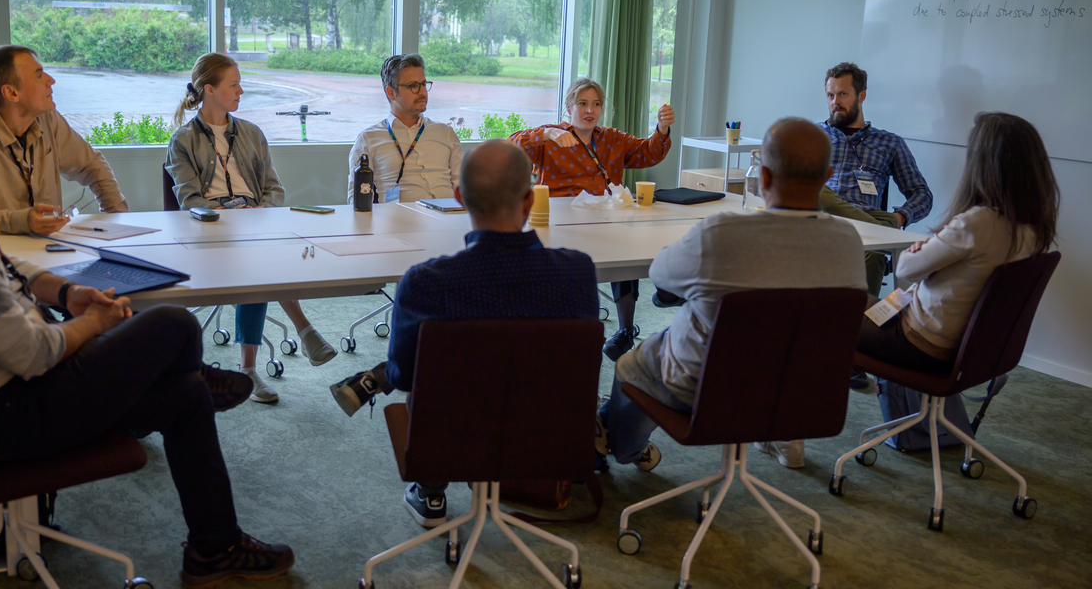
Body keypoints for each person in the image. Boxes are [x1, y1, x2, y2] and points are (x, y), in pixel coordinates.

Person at [0, 70, 294, 585]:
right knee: (172, 326)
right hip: (7, 414)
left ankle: (213, 547)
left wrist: (65, 293)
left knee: (187, 393)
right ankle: (179, 399)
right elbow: (34, 354)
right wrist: (93, 320)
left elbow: (4, 268)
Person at [328, 140, 600, 528]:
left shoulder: (425, 283)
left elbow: (405, 376)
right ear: (530, 201)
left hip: (451, 442)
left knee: (423, 377)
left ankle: (431, 490)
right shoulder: (578, 273)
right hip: (547, 442)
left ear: (459, 198)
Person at [597, 118, 867, 471]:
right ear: (829, 176)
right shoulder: (849, 242)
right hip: (802, 395)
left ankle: (622, 448)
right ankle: (783, 435)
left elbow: (660, 275)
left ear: (764, 177)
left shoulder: (722, 233)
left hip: (707, 390)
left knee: (634, 362)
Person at [166, 52, 336, 404]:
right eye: (234, 84)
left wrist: (263, 210)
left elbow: (274, 188)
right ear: (209, 90)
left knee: (260, 257)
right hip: (214, 228)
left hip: (256, 220)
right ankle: (297, 335)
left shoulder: (252, 133)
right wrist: (233, 218)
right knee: (259, 262)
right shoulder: (183, 140)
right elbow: (189, 200)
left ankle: (251, 369)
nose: (241, 91)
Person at [857, 112, 1059, 373]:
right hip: (962, 345)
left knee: (828, 310)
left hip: (918, 340)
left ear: (985, 164)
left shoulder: (977, 223)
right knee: (851, 301)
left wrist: (920, 251)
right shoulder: (1034, 228)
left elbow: (906, 269)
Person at [509, 77, 675, 362]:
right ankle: (578, 326)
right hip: (562, 218)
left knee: (624, 246)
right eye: (583, 104)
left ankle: (625, 330)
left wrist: (661, 129)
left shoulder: (611, 138)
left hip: (606, 216)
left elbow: (648, 152)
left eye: (596, 104)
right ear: (569, 106)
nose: (590, 110)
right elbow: (512, 146)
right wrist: (545, 132)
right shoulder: (552, 138)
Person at [0, 45, 128, 235]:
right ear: (11, 93)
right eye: (39, 76)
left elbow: (92, 166)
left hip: (50, 248)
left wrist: (117, 217)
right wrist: (20, 221)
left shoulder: (47, 119)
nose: (51, 80)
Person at [819, 61, 933, 293]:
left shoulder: (889, 143)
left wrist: (899, 218)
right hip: (821, 219)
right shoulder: (812, 136)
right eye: (830, 95)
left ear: (861, 96)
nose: (835, 102)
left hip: (867, 228)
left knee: (875, 251)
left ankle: (860, 323)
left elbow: (922, 194)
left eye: (843, 94)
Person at [347, 53, 463, 204]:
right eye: (413, 86)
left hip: (449, 221)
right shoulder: (369, 139)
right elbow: (356, 199)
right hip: (398, 224)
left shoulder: (445, 134)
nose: (422, 92)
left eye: (423, 84)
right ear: (391, 92)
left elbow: (463, 187)